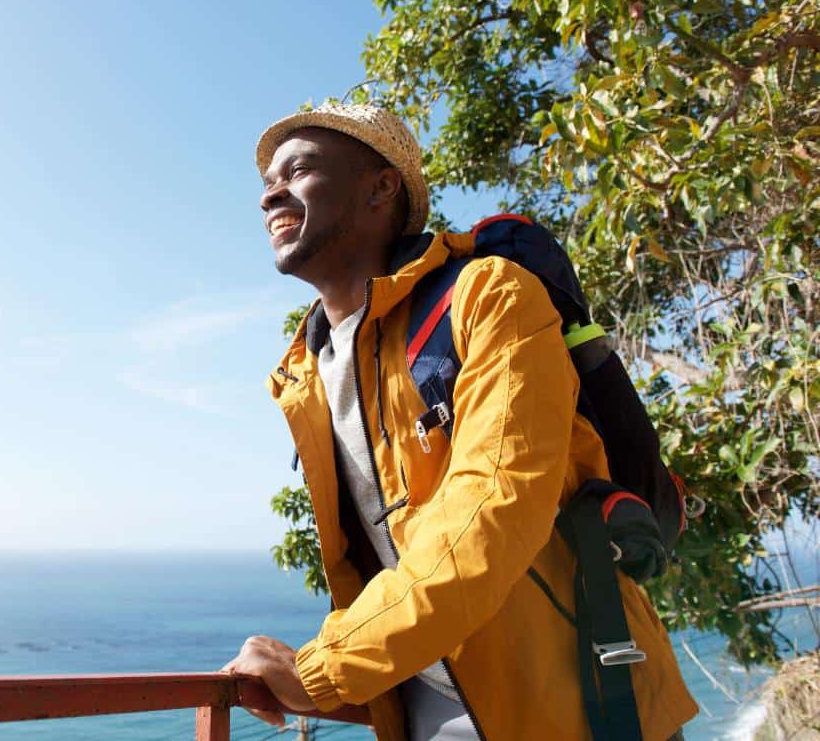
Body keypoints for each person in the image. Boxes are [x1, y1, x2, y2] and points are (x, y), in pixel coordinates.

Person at [222, 103, 698, 740]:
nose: (269, 195)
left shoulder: (487, 296)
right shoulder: (307, 372)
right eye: (265, 183)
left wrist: (326, 668)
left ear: (381, 185)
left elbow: (493, 508)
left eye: (299, 169)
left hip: (588, 715)